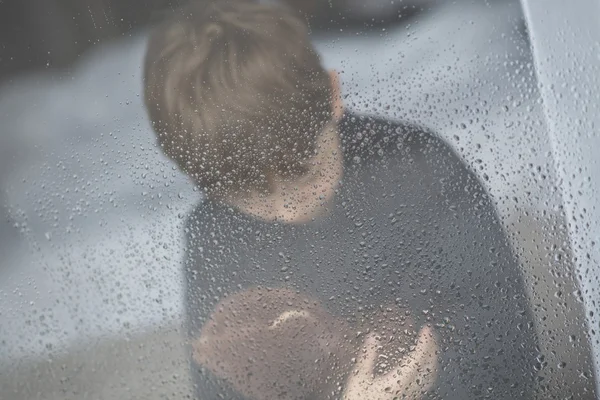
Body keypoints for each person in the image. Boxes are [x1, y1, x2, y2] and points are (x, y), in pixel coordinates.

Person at [143, 0, 540, 398]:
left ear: (333, 96)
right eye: (254, 198)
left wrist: (433, 376)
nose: (289, 210)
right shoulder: (216, 237)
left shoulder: (416, 169)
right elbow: (218, 388)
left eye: (305, 174)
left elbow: (510, 344)